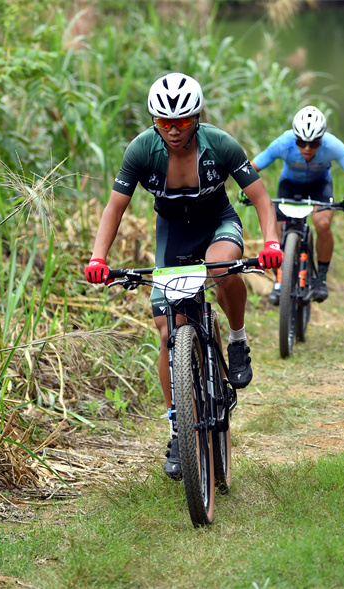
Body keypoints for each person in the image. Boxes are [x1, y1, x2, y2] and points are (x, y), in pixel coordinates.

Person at [84, 73, 282, 479]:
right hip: (173, 237)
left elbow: (261, 199)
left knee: (222, 269)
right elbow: (114, 208)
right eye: (164, 123)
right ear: (155, 122)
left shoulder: (221, 144)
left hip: (217, 226)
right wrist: (97, 257)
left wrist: (272, 244)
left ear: (196, 117)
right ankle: (178, 426)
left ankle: (238, 339)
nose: (173, 131)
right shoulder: (141, 150)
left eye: (182, 122)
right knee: (165, 331)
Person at [248, 105, 344, 305]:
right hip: (289, 185)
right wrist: (248, 193)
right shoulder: (283, 143)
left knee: (323, 224)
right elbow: (251, 169)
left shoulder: (333, 145)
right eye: (301, 142)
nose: (307, 149)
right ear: (295, 138)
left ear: (322, 138)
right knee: (274, 232)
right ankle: (280, 280)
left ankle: (320, 278)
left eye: (314, 143)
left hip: (319, 186)